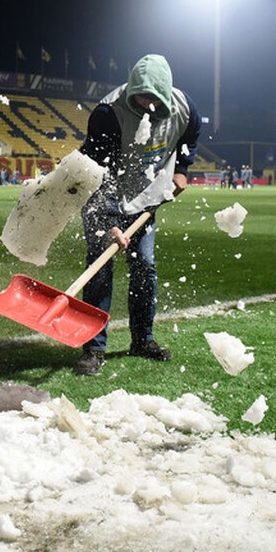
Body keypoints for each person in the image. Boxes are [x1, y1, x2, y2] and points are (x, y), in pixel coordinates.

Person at [73, 54, 200, 377]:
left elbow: (190, 137)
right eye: (141, 98)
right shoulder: (108, 114)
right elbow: (98, 174)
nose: (148, 106)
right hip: (101, 195)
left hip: (145, 199)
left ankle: (142, 339)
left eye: (154, 99)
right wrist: (111, 223)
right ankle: (93, 348)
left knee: (145, 266)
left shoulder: (185, 107)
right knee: (100, 270)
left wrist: (182, 170)